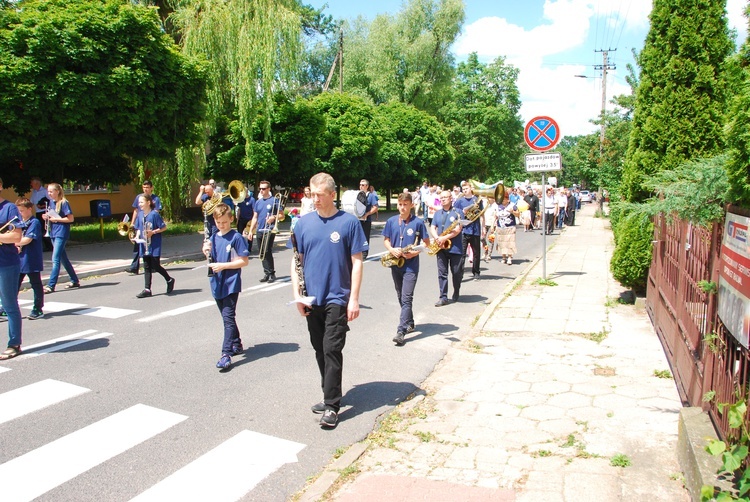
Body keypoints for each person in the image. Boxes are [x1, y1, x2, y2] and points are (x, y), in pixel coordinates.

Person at [290, 172, 366, 428]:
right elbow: (296, 260)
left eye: (320, 195)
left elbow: (357, 263)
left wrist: (353, 299)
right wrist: (297, 295)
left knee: (332, 349)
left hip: (337, 297)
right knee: (319, 348)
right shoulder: (303, 223)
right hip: (312, 298)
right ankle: (328, 393)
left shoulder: (349, 223)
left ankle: (332, 406)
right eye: (312, 194)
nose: (315, 199)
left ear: (333, 195)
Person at [203, 203, 250, 370]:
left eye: (224, 222)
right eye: (218, 222)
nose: (221, 225)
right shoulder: (214, 237)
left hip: (231, 283)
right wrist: (206, 250)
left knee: (228, 318)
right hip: (216, 282)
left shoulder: (236, 237)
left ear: (231, 219)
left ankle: (226, 353)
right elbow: (211, 255)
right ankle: (236, 343)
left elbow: (244, 261)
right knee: (226, 317)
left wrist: (223, 265)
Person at [382, 192, 431, 346]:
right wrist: (391, 250)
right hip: (396, 264)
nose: (402, 208)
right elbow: (386, 240)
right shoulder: (391, 221)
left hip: (410, 265)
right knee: (400, 295)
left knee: (407, 297)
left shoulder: (418, 222)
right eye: (400, 204)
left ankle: (401, 331)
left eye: (405, 205)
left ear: (411, 205)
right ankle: (409, 321)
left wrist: (414, 253)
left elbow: (426, 243)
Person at [133, 195, 174, 299]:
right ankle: (147, 289)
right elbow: (138, 228)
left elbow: (163, 227)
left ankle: (169, 280)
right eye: (139, 202)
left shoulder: (154, 214)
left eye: (141, 202)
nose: (139, 204)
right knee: (146, 266)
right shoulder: (140, 214)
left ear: (148, 202)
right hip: (144, 244)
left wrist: (153, 232)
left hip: (154, 244)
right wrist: (136, 237)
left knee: (155, 266)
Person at [0, 178, 23, 360]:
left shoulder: (9, 209)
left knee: (9, 304)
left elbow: (16, 236)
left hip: (6, 263)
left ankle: (14, 343)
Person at [43, 183, 80, 293]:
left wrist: (57, 220)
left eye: (51, 191)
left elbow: (70, 219)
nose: (49, 193)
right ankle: (74, 280)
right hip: (53, 232)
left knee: (55, 259)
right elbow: (53, 216)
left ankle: (51, 285)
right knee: (63, 259)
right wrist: (47, 217)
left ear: (57, 191)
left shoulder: (64, 203)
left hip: (61, 233)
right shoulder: (51, 202)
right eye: (48, 191)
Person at [431, 190, 464, 306]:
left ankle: (456, 290)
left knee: (456, 272)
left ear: (451, 198)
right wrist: (437, 238)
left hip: (455, 247)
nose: (443, 199)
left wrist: (444, 237)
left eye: (445, 197)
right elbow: (432, 227)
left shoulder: (458, 212)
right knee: (442, 273)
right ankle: (443, 297)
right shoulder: (437, 213)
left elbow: (458, 229)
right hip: (440, 247)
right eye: (441, 198)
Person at [15, 198, 45, 319]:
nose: (20, 213)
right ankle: (7, 308)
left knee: (35, 283)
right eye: (18, 211)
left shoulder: (34, 222)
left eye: (22, 210)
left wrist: (14, 243)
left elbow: (27, 239)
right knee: (14, 285)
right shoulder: (18, 222)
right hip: (18, 259)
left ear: (29, 209)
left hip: (30, 258)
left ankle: (38, 308)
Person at [125, 180, 162, 275]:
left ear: (151, 188)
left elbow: (156, 212)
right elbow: (136, 211)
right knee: (137, 245)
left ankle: (154, 266)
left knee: (150, 247)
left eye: (147, 187)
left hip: (150, 227)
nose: (145, 189)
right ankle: (134, 267)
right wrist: (133, 223)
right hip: (140, 223)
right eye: (144, 187)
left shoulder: (155, 199)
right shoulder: (139, 197)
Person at [249, 181, 283, 283]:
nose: (261, 190)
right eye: (260, 189)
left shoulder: (274, 200)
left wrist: (274, 217)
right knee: (261, 252)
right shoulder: (258, 202)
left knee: (267, 250)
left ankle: (271, 273)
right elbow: (255, 217)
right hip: (260, 229)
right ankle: (266, 273)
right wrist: (251, 231)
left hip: (270, 229)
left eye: (263, 189)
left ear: (268, 189)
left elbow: (282, 215)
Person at [454, 181, 484, 280]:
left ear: (471, 188)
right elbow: (455, 214)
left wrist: (483, 227)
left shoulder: (477, 200)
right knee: (461, 254)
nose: (465, 190)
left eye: (466, 188)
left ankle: (476, 272)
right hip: (464, 230)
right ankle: (460, 274)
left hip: (475, 229)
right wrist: (462, 213)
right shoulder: (460, 201)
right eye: (463, 189)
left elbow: (481, 214)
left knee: (476, 252)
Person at [29, 176, 52, 251]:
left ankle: (50, 246)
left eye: (32, 184)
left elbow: (50, 201)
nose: (31, 185)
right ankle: (46, 245)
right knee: (41, 229)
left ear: (37, 183)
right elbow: (31, 202)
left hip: (45, 211)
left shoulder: (45, 191)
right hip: (38, 212)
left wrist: (42, 205)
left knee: (45, 229)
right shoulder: (34, 192)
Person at [495, 193, 519, 265]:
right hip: (500, 227)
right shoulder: (498, 206)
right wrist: (493, 226)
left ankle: (509, 257)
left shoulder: (512, 205)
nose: (502, 201)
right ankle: (503, 257)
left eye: (504, 199)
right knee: (502, 243)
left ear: (507, 199)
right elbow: (495, 216)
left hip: (510, 227)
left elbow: (518, 214)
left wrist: (512, 212)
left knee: (510, 243)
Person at [359, 179, 379, 259]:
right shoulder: (358, 195)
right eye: (360, 184)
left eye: (363, 185)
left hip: (366, 220)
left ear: (367, 186)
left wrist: (367, 214)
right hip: (357, 219)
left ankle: (364, 254)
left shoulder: (371, 196)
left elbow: (375, 207)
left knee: (365, 236)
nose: (361, 186)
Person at [482, 196, 498, 262]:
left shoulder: (496, 206)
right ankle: (485, 251)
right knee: (482, 238)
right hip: (485, 223)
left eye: (491, 197)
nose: (489, 199)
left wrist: (493, 226)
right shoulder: (485, 204)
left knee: (490, 240)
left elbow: (495, 216)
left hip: (492, 224)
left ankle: (489, 254)